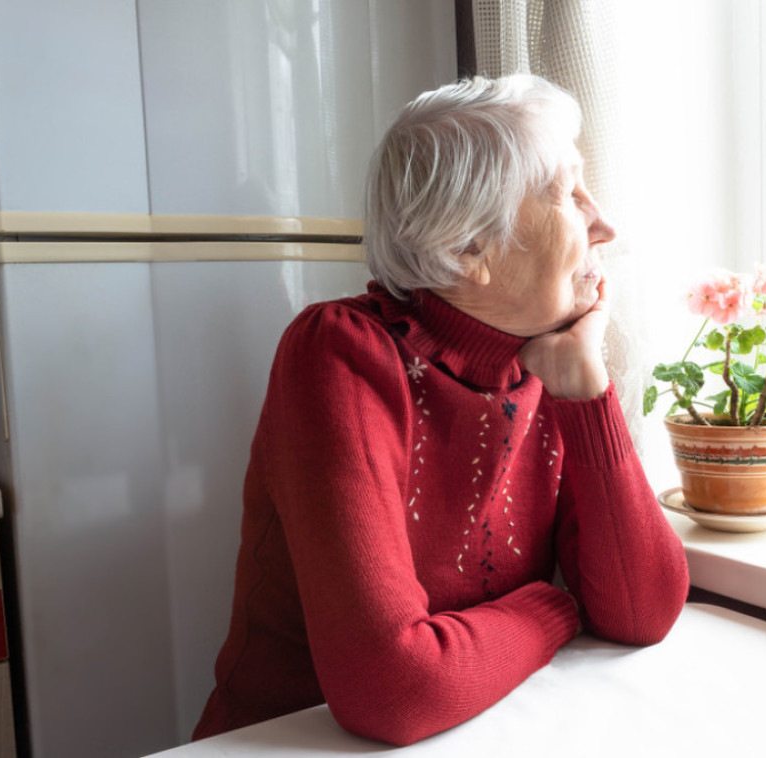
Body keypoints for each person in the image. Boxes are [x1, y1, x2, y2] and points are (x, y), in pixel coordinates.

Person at [193, 74, 689, 747]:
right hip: (289, 742)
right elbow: (392, 691)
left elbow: (645, 610)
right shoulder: (340, 352)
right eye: (568, 196)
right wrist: (553, 608)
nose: (604, 224)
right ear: (466, 249)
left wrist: (585, 391)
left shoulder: (544, 359)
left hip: (477, 726)